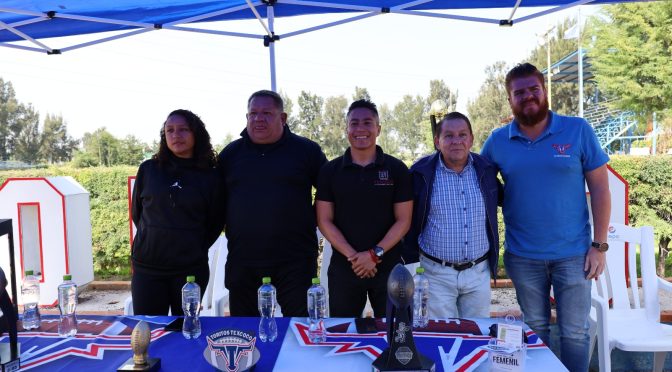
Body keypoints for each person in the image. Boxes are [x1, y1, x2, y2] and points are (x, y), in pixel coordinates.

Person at [481, 63, 611, 372]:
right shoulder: (498, 141)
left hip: (575, 254)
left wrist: (600, 246)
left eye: (533, 89)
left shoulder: (578, 130)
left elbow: (602, 190)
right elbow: (477, 185)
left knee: (575, 333)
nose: (528, 97)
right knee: (535, 329)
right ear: (510, 99)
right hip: (523, 256)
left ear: (545, 91)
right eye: (519, 92)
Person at [219, 90, 327, 317]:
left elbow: (329, 194)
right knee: (245, 332)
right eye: (253, 113)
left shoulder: (307, 151)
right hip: (243, 261)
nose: (258, 119)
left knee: (297, 329)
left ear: (283, 118)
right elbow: (214, 201)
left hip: (295, 260)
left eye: (267, 113)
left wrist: (312, 219)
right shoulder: (230, 154)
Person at [316, 99, 413, 318]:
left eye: (368, 123)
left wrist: (374, 254)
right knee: (344, 336)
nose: (361, 129)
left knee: (395, 334)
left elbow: (404, 220)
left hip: (388, 268)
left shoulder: (396, 169)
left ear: (378, 129)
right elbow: (324, 220)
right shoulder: (330, 171)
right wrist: (355, 257)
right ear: (346, 129)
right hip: (345, 269)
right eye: (354, 123)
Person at [404, 111, 500, 319]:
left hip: (478, 273)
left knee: (476, 335)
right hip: (435, 274)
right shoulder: (420, 174)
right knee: (441, 337)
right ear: (437, 141)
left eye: (462, 135)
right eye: (448, 136)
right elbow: (406, 219)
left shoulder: (487, 170)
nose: (456, 141)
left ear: (471, 139)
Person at [131, 109, 224, 315]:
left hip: (190, 270)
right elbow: (138, 214)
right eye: (170, 130)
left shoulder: (211, 176)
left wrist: (189, 244)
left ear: (196, 134)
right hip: (148, 268)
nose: (176, 135)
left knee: (184, 332)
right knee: (151, 332)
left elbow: (215, 222)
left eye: (183, 130)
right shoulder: (148, 169)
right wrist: (154, 237)